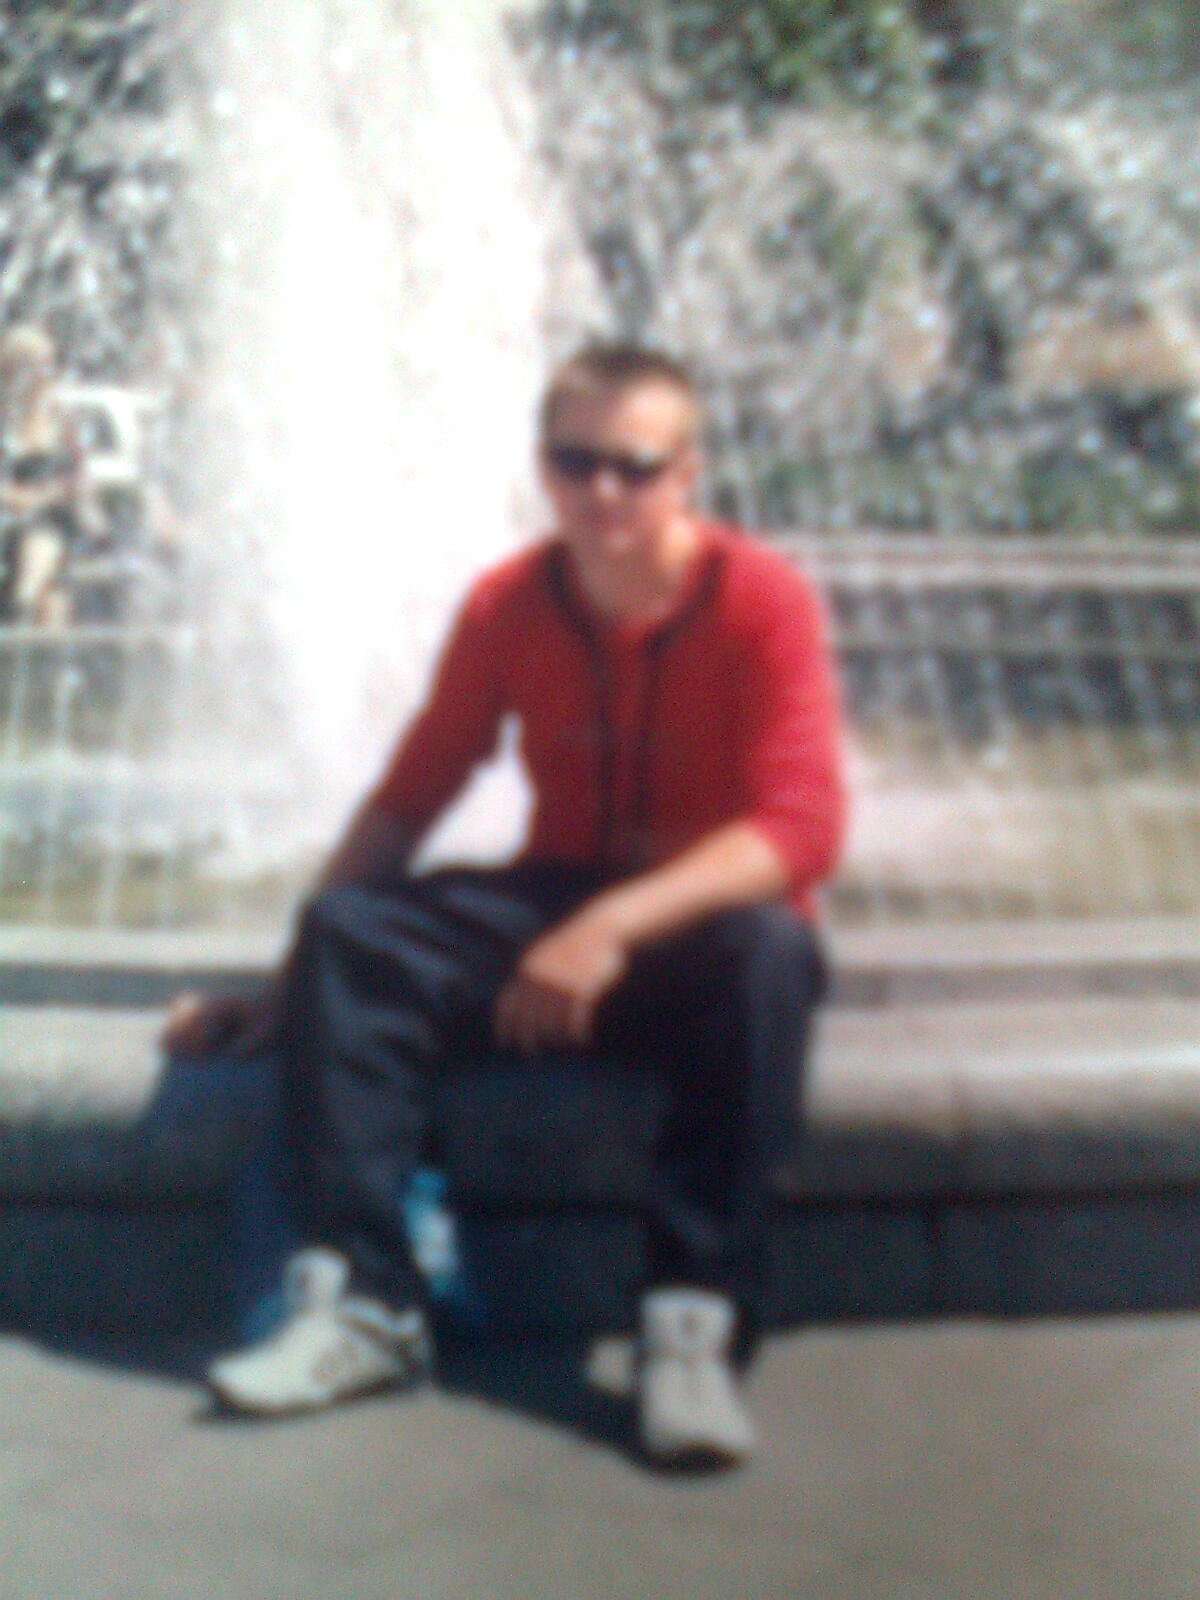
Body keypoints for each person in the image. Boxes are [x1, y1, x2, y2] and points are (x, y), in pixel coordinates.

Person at [164, 342, 848, 1468]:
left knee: (770, 951)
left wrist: (609, 927)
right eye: (574, 462)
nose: (602, 490)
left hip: (696, 936)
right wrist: (291, 989)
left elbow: (801, 829)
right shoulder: (511, 602)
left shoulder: (759, 599)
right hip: (558, 906)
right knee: (352, 933)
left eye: (634, 465)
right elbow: (409, 798)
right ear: (544, 465)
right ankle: (365, 1306)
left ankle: (694, 1328)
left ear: (688, 472)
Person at [0, 324, 87, 625]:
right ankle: (25, 607)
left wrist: (44, 496)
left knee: (45, 533)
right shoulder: (5, 419)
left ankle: (23, 603)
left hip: (53, 516)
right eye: (29, 364)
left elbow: (79, 480)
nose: (41, 373)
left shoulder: (62, 418)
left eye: (46, 364)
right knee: (48, 570)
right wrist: (17, 497)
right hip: (10, 518)